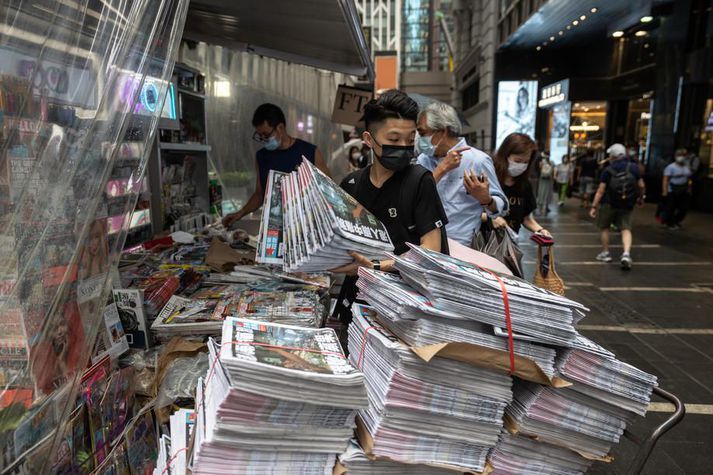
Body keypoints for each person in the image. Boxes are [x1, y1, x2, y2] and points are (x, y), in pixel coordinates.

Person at [330, 90, 450, 326]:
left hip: (405, 307)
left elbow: (431, 250)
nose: (404, 147)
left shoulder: (419, 181)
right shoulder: (351, 184)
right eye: (394, 140)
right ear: (368, 139)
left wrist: (376, 266)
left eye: (410, 139)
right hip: (356, 302)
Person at [222, 103, 331, 227]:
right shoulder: (262, 157)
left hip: (308, 225)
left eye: (266, 135)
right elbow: (260, 194)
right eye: (260, 136)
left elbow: (328, 190)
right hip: (276, 226)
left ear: (280, 128)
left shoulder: (309, 152)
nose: (263, 139)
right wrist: (240, 213)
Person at [415, 102, 508, 246]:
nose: (418, 139)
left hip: (463, 247)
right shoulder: (423, 159)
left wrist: (486, 199)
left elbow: (501, 206)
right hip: (426, 242)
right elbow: (414, 197)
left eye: (422, 133)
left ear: (442, 131)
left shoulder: (478, 160)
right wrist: (441, 169)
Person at [589, 143, 646, 270]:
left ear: (613, 156)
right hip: (627, 203)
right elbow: (641, 185)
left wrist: (593, 206)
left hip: (609, 202)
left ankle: (606, 253)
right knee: (626, 228)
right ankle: (626, 254)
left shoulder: (608, 169)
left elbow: (601, 190)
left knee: (604, 227)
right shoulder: (634, 168)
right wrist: (641, 198)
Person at [490, 133, 551, 238]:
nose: (521, 165)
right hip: (484, 244)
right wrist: (491, 218)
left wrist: (541, 230)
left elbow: (526, 218)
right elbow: (470, 211)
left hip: (509, 245)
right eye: (517, 161)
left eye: (526, 162)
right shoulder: (489, 177)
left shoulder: (524, 185)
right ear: (505, 155)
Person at [662, 149, 692, 229]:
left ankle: (676, 220)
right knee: (671, 207)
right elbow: (665, 179)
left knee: (683, 208)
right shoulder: (671, 167)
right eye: (679, 155)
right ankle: (670, 223)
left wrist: (689, 188)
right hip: (672, 190)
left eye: (683, 155)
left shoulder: (687, 167)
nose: (681, 157)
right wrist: (665, 191)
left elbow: (689, 178)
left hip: (684, 189)